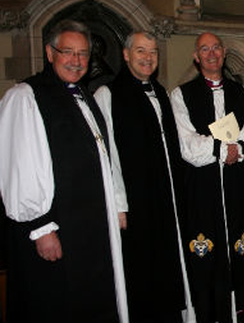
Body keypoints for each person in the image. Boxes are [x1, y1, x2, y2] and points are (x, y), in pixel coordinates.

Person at [0, 20, 128, 323]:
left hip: (90, 229)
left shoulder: (82, 96)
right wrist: (42, 227)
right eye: (68, 52)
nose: (77, 61)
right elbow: (17, 166)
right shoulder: (26, 97)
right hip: (54, 228)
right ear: (49, 52)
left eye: (83, 54)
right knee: (55, 302)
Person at [94, 31, 195, 323]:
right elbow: (107, 153)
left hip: (165, 196)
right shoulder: (108, 95)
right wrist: (119, 203)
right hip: (135, 202)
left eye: (152, 52)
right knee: (140, 269)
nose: (148, 57)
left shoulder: (161, 92)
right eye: (140, 51)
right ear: (126, 55)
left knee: (166, 265)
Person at [170, 33, 244, 323]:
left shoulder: (241, 92)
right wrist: (223, 150)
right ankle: (209, 313)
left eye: (216, 48)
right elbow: (188, 146)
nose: (211, 54)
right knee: (205, 254)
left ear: (224, 53)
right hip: (202, 191)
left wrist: (240, 148)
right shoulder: (180, 95)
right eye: (204, 49)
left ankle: (241, 311)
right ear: (196, 57)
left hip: (237, 187)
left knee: (241, 249)